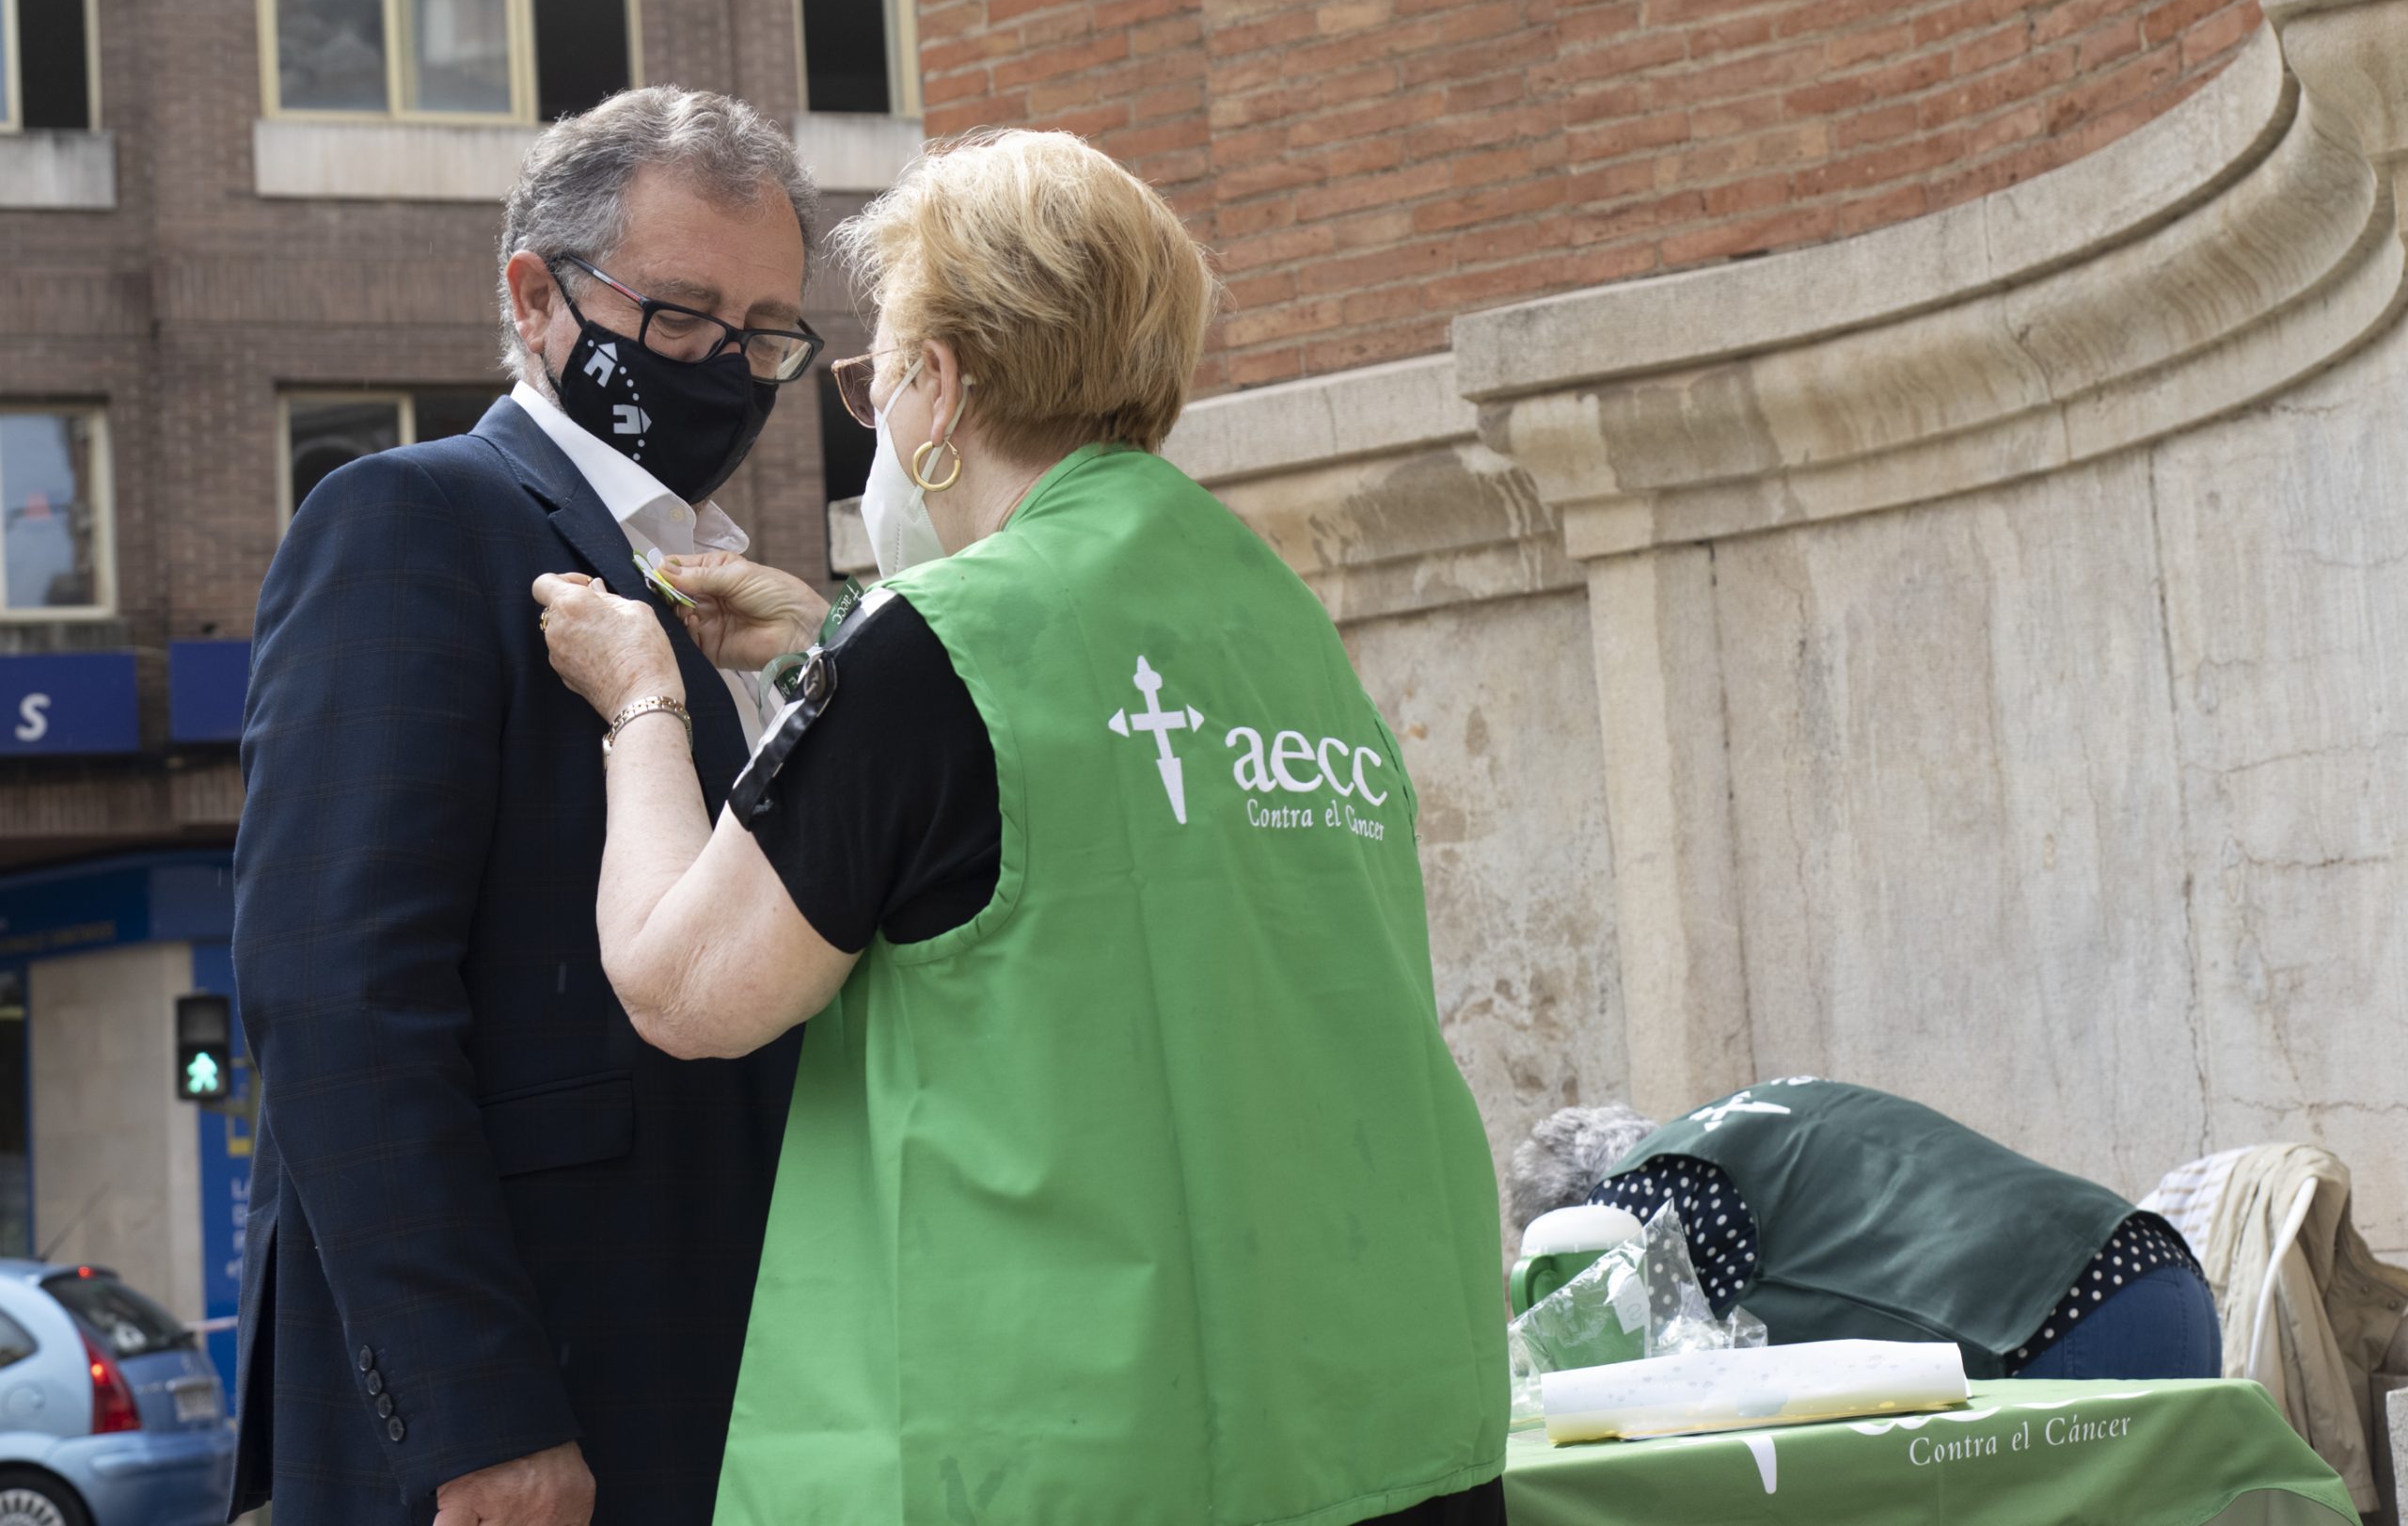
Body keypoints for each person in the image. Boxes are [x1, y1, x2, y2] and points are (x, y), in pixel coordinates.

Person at [530, 128, 1509, 1525]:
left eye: (879, 374)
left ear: (943, 384)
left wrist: (642, 704)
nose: (879, 417)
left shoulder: (941, 647)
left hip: (1067, 1452)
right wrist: (835, 648)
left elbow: (685, 990)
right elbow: (1063, 806)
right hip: (1381, 1428)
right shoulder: (1270, 621)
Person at [230, 87, 821, 1526]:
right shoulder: (413, 521)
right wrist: (479, 1410)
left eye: (765, 333)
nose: (724, 366)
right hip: (530, 1416)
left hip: (730, 1385)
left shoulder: (734, 599)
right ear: (534, 295)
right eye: (679, 315)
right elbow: (335, 992)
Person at [1509, 1078, 2222, 1381]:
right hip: (2154, 1273)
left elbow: (1672, 1398)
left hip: (2048, 1331)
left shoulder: (1642, 1196)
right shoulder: (1734, 1126)